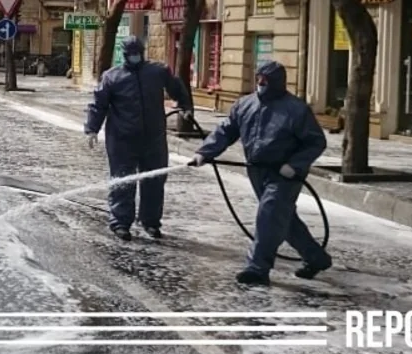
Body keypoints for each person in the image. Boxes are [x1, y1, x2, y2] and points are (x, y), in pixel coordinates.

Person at [189, 60, 333, 286]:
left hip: (284, 174)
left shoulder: (296, 110)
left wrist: (294, 165)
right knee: (283, 219)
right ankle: (316, 257)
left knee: (269, 215)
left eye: (266, 80)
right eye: (259, 79)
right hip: (257, 171)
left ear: (278, 82)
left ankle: (257, 268)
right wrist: (204, 153)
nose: (261, 83)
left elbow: (316, 142)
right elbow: (226, 131)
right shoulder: (245, 104)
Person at [84, 36, 193, 241]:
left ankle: (150, 221)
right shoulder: (112, 77)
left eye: (137, 53)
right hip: (122, 139)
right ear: (124, 55)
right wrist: (92, 128)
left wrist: (185, 106)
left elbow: (176, 88)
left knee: (154, 180)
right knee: (122, 180)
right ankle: (120, 222)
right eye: (131, 54)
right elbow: (98, 104)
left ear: (142, 53)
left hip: (153, 138)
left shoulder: (157, 72)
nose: (135, 57)